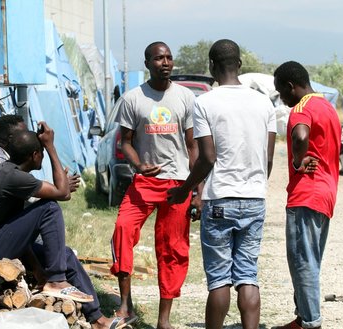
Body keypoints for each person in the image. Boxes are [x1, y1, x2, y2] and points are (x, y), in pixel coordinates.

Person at [167, 39, 277, 329]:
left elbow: (206, 158)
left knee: (219, 279)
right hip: (254, 199)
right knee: (248, 276)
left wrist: (184, 189)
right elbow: (268, 158)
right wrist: (254, 184)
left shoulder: (204, 103)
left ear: (212, 66)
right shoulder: (264, 102)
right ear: (239, 64)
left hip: (219, 201)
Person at [0, 123, 126, 329]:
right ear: (35, 155)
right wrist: (51, 147)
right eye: (42, 152)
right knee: (49, 207)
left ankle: (98, 320)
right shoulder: (13, 177)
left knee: (65, 254)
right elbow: (63, 193)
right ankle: (57, 280)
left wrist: (38, 269)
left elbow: (21, 235)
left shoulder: (10, 172)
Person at [110, 41, 199, 329]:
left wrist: (196, 189)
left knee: (172, 248)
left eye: (169, 57)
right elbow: (125, 142)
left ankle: (164, 320)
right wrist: (138, 165)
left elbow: (192, 145)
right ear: (147, 62)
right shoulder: (133, 98)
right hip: (145, 181)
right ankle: (125, 306)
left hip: (178, 183)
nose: (166, 62)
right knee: (123, 229)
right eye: (159, 58)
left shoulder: (185, 97)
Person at [272, 61, 341, 329]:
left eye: (281, 92)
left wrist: (297, 161)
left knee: (302, 262)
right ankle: (302, 318)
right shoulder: (327, 106)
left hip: (306, 193)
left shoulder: (302, 108)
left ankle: (310, 323)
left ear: (291, 86)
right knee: (310, 259)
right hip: (325, 193)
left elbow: (300, 135)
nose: (282, 97)